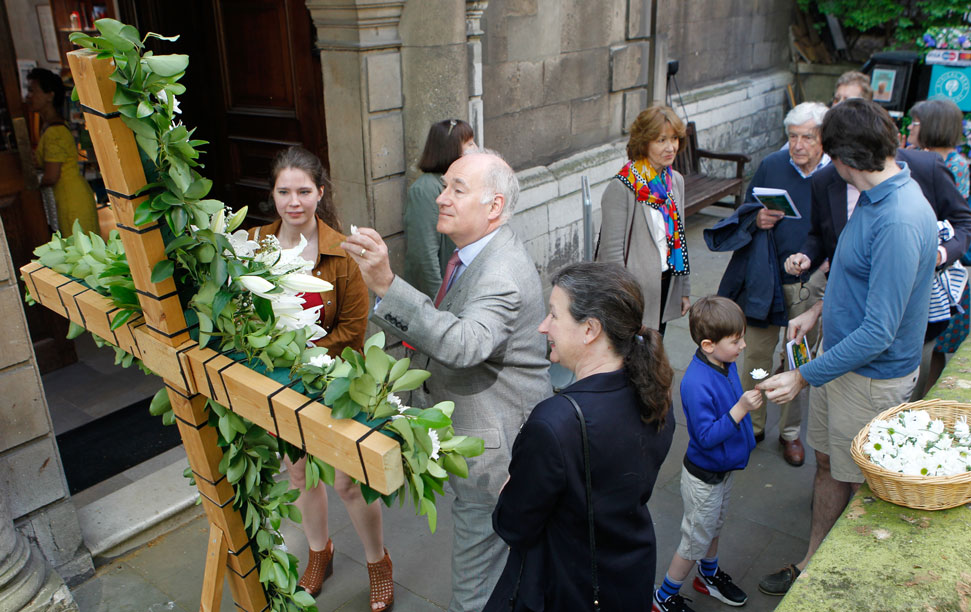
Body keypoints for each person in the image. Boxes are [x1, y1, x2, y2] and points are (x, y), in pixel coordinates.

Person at [340, 150, 551, 612]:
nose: (441, 198)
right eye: (445, 186)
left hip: (495, 457)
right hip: (484, 440)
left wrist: (385, 284)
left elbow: (463, 344)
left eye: (458, 188)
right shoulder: (477, 252)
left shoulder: (501, 272)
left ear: (493, 206)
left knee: (473, 596)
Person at [759, 99, 939, 596]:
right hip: (842, 368)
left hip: (870, 380)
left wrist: (801, 375)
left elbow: (880, 331)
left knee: (864, 487)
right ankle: (812, 561)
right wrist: (816, 312)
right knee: (827, 463)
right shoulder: (874, 198)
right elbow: (852, 273)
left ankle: (847, 584)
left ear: (841, 157)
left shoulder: (899, 218)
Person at [483, 262, 676, 611]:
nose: (543, 327)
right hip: (628, 577)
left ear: (590, 329)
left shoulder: (555, 423)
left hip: (567, 589)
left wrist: (511, 489)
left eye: (554, 315)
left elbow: (513, 526)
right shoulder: (656, 393)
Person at [249, 147, 392, 611]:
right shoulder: (253, 245)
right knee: (299, 474)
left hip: (330, 382)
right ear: (273, 194)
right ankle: (319, 552)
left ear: (320, 193)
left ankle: (378, 561)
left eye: (304, 191)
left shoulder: (341, 253)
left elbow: (354, 330)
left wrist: (300, 358)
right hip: (277, 385)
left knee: (347, 481)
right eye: (284, 191)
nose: (294, 201)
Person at [708, 102, 829, 466]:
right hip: (766, 278)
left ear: (823, 139)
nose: (798, 144)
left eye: (807, 136)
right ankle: (753, 424)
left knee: (797, 361)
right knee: (757, 357)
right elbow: (746, 211)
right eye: (792, 136)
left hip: (811, 283)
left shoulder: (836, 176)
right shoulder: (773, 165)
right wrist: (757, 218)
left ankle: (790, 433)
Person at [652, 296, 762, 612]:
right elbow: (706, 436)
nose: (743, 345)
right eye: (736, 340)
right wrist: (741, 409)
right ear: (708, 344)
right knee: (693, 542)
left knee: (713, 527)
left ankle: (708, 577)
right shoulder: (696, 382)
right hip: (704, 478)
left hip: (722, 471)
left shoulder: (723, 363)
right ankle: (663, 597)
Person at [598, 105, 691, 335]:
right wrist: (623, 300)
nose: (671, 147)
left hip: (666, 285)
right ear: (644, 142)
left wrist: (683, 290)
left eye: (674, 139)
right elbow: (611, 256)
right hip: (633, 294)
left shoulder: (674, 181)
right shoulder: (622, 187)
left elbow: (679, 237)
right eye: (661, 140)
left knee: (655, 351)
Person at [908, 99, 971, 394]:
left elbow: (955, 220)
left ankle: (925, 402)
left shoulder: (953, 166)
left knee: (934, 343)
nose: (910, 127)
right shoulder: (921, 157)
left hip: (943, 267)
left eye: (916, 122)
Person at [403, 119, 476, 298]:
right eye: (469, 143)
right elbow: (424, 255)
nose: (475, 148)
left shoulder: (467, 182)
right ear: (450, 148)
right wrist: (439, 302)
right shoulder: (426, 189)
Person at [26, 68, 98, 237]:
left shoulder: (54, 131)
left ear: (49, 95)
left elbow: (51, 176)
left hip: (71, 200)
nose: (28, 96)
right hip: (72, 196)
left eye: (32, 90)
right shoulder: (52, 126)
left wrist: (30, 187)